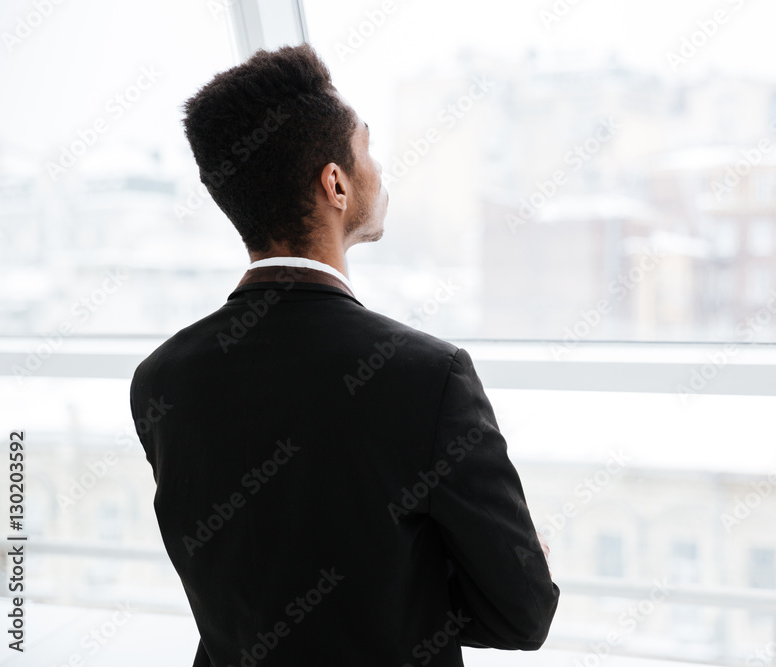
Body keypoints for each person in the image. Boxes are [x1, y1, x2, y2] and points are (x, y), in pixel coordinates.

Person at [129, 43, 559, 667]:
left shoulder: (160, 379)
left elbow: (245, 580)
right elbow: (523, 614)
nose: (379, 169)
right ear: (335, 182)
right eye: (367, 150)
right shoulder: (428, 378)